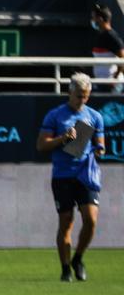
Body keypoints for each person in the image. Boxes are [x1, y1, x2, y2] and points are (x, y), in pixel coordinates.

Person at [36, 73, 104, 283]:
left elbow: (100, 142)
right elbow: (41, 145)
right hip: (63, 175)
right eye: (78, 96)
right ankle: (65, 268)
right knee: (66, 222)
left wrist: (99, 149)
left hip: (84, 174)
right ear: (70, 93)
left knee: (91, 220)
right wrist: (63, 138)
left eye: (85, 96)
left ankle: (78, 258)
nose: (81, 100)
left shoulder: (94, 116)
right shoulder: (55, 116)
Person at [89, 4, 124, 85]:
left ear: (100, 19)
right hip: (101, 82)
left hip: (110, 84)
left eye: (93, 18)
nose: (92, 20)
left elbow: (123, 59)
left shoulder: (111, 36)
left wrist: (114, 80)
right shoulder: (101, 35)